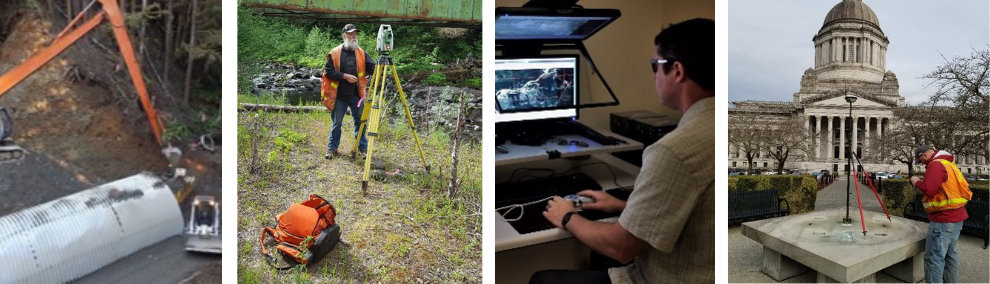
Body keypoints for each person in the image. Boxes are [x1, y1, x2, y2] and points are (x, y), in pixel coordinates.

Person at [532, 18, 715, 284]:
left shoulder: (673, 150)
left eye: (656, 65)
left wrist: (567, 215)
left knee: (544, 280)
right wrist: (623, 205)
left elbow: (621, 248)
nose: (653, 75)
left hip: (658, 277)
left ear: (677, 71)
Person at [910, 145, 971, 283]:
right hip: (956, 218)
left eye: (920, 161)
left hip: (943, 220)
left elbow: (929, 190)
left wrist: (917, 182)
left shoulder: (935, 165)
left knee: (933, 258)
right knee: (950, 256)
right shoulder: (948, 163)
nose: (922, 164)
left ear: (924, 155)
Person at [322, 23, 376, 159]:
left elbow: (372, 67)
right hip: (339, 95)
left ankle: (363, 148)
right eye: (351, 34)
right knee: (337, 123)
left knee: (361, 122)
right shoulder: (335, 53)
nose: (354, 37)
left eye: (355, 34)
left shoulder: (362, 53)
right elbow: (328, 72)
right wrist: (344, 76)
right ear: (344, 36)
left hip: (357, 95)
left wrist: (380, 67)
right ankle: (332, 148)